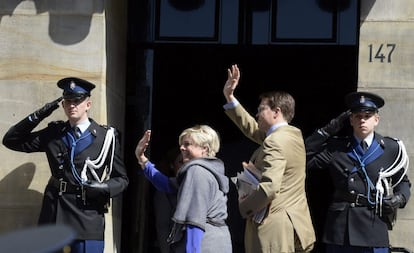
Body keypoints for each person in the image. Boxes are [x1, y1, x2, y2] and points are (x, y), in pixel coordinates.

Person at [2, 77, 129, 253]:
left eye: (77, 101)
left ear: (88, 104)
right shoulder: (53, 134)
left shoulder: (105, 137)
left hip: (87, 218)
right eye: (68, 101)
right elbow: (11, 140)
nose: (72, 105)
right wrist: (41, 113)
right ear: (63, 105)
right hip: (54, 217)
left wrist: (103, 187)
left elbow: (121, 179)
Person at [222, 64, 316, 253]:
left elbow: (270, 187)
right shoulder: (291, 135)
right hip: (289, 224)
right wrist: (230, 98)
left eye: (261, 109)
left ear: (276, 111)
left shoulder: (276, 142)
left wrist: (244, 207)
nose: (257, 114)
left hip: (273, 228)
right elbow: (254, 130)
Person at [305, 91, 411, 253]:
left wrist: (399, 198)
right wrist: (327, 131)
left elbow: (403, 182)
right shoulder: (337, 148)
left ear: (376, 120)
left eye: (367, 116)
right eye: (358, 116)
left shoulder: (390, 148)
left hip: (374, 225)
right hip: (341, 229)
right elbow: (303, 158)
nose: (362, 120)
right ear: (351, 120)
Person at [135, 125, 232, 253]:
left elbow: (195, 220)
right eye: (182, 144)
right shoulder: (206, 171)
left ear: (204, 149)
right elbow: (167, 185)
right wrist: (142, 160)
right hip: (217, 242)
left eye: (187, 144)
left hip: (204, 244)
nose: (181, 148)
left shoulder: (197, 171)